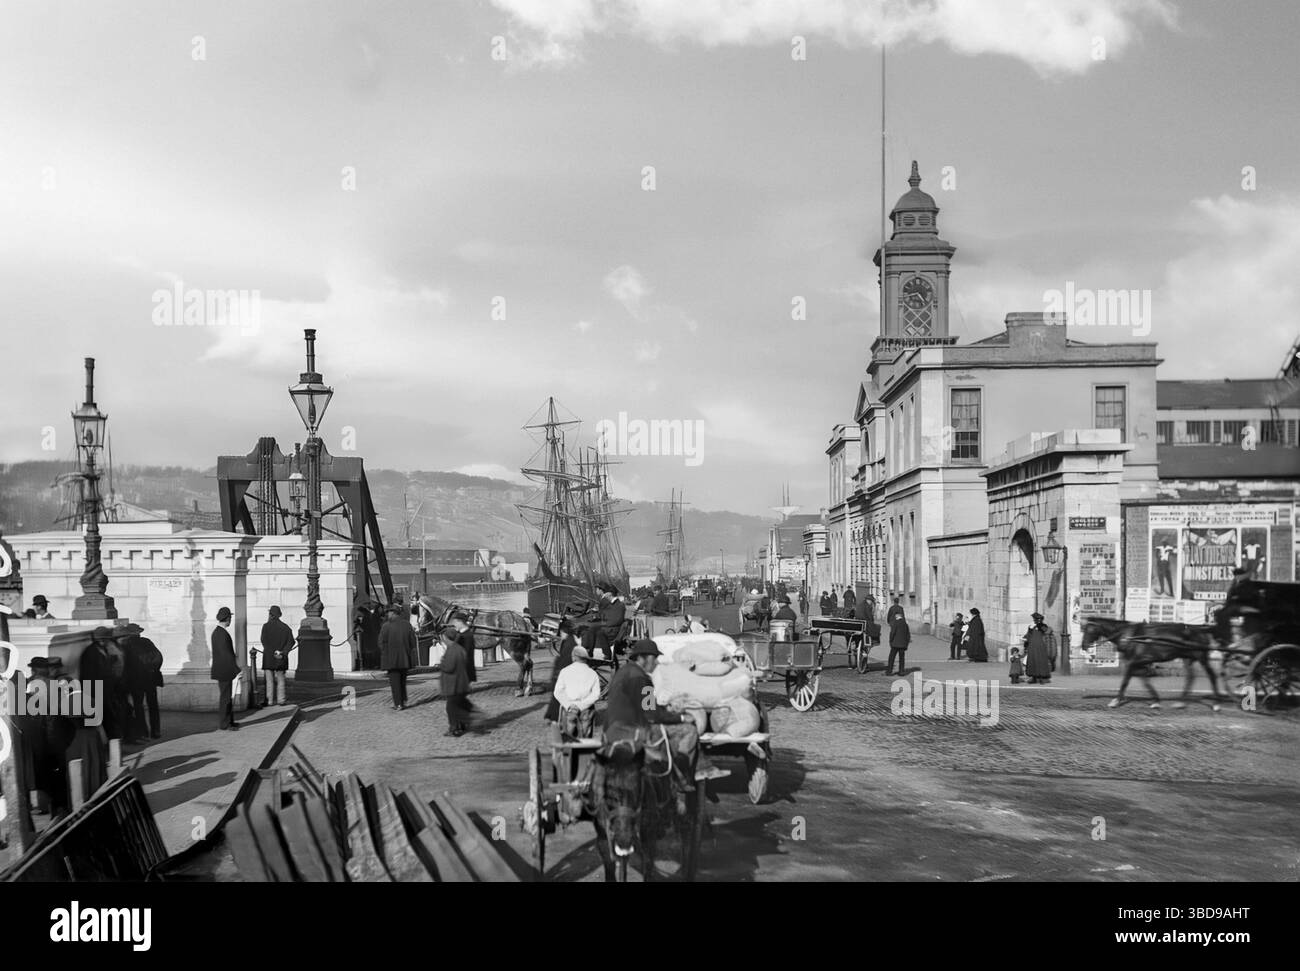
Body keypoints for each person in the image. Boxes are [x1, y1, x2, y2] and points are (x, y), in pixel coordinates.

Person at [603, 639, 722, 793]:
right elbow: (651, 714)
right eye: (654, 658)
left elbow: (646, 706)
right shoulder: (641, 678)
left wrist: (665, 710)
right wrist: (680, 718)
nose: (657, 663)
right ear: (643, 658)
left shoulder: (624, 672)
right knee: (689, 730)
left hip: (614, 726)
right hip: (634, 729)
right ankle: (681, 776)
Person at [120, 624, 164, 741]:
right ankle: (156, 731)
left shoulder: (126, 645)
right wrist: (153, 669)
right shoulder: (147, 642)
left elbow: (125, 665)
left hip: (136, 680)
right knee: (153, 705)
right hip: (151, 678)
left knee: (138, 706)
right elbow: (158, 657)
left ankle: (143, 732)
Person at [553, 645, 600, 739]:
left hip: (569, 709)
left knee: (568, 740)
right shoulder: (593, 673)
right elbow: (596, 694)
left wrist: (569, 705)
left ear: (573, 657)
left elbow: (558, 692)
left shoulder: (565, 671)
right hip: (586, 709)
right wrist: (581, 706)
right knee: (585, 739)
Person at [380, 605, 415, 710]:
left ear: (393, 613)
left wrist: (385, 654)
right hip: (404, 658)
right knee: (402, 681)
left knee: (395, 683)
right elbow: (412, 642)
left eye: (389, 612)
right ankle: (403, 701)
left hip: (391, 659)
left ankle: (398, 704)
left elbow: (381, 642)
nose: (387, 614)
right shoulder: (407, 625)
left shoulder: (386, 626)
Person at [210, 606, 240, 731]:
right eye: (230, 618)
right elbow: (226, 654)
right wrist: (237, 669)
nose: (230, 620)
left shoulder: (218, 632)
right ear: (227, 619)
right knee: (226, 698)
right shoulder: (221, 634)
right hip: (224, 670)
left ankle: (229, 721)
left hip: (223, 669)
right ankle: (225, 724)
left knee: (227, 696)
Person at [543, 618, 578, 724]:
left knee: (558, 692)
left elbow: (566, 661)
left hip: (566, 673)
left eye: (560, 632)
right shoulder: (569, 640)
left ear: (563, 631)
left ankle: (553, 716)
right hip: (565, 670)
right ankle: (552, 716)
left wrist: (558, 674)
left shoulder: (569, 643)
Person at [259, 605, 295, 707]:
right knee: (281, 679)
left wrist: (272, 652)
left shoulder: (266, 626)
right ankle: (281, 699)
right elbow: (291, 641)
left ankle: (269, 700)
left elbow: (264, 641)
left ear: (271, 614)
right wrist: (283, 652)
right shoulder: (286, 627)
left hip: (269, 657)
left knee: (269, 680)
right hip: (281, 657)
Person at [438, 628, 471, 737]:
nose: (443, 639)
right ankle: (462, 725)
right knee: (458, 706)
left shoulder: (452, 650)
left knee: (451, 708)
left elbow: (449, 667)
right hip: (461, 683)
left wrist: (441, 663)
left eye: (444, 637)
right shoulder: (460, 648)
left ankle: (454, 729)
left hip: (453, 685)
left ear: (448, 638)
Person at [581, 584, 626, 660]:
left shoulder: (619, 605)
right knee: (591, 628)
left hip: (612, 630)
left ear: (610, 594)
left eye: (606, 593)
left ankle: (593, 652)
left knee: (594, 630)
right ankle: (590, 652)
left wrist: (603, 623)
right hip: (609, 627)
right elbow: (606, 615)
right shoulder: (613, 604)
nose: (605, 594)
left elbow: (616, 620)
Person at [1022, 612, 1057, 684]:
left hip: (1041, 647)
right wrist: (1029, 632)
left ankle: (1041, 677)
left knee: (1040, 662)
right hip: (1032, 646)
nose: (1035, 621)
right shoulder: (1031, 627)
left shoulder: (1043, 626)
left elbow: (1047, 631)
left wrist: (1040, 626)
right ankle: (1033, 677)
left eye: (1036, 619)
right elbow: (1028, 635)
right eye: (1035, 619)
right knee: (1032, 662)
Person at [450, 611, 478, 684]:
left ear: (460, 622)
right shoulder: (461, 634)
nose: (454, 624)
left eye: (455, 622)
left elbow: (466, 655)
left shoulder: (467, 635)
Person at [885, 606, 910, 676]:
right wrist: (906, 643)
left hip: (895, 644)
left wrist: (890, 641)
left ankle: (889, 671)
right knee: (902, 658)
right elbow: (908, 634)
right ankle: (901, 671)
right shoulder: (905, 623)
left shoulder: (895, 623)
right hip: (902, 644)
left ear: (896, 616)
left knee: (891, 658)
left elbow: (892, 633)